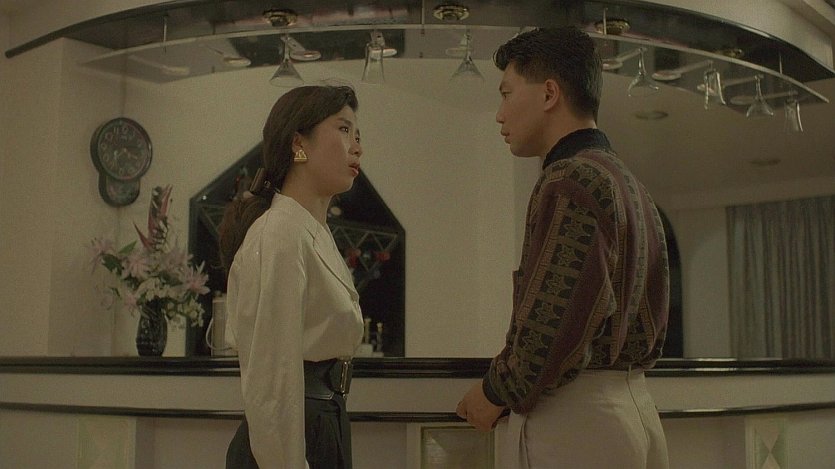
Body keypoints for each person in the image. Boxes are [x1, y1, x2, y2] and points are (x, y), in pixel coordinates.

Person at [456, 27, 671, 469]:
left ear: (549, 93)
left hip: (578, 422)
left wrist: (494, 391)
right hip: (634, 407)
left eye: (506, 93)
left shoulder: (571, 178)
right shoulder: (631, 184)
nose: (499, 114)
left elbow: (554, 325)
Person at [219, 85, 364, 469]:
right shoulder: (280, 234)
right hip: (293, 434)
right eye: (344, 129)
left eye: (358, 135)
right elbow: (271, 384)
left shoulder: (310, 232)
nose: (357, 147)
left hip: (324, 419)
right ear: (299, 143)